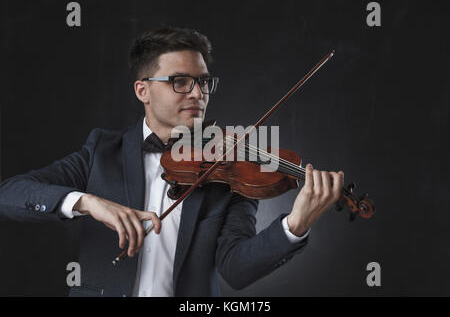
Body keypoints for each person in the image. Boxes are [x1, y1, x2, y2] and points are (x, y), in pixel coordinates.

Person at [0, 27, 344, 297]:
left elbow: (236, 270)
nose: (198, 93)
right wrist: (88, 202)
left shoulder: (229, 170)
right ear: (142, 91)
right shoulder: (102, 151)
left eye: (204, 82)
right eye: (180, 81)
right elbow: (10, 194)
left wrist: (295, 225)